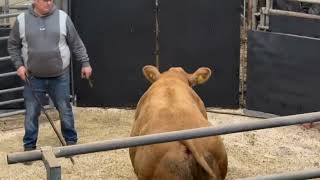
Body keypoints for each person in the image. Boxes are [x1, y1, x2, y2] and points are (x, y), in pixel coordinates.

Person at [7, 0, 92, 152]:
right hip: (32, 77)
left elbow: (76, 43)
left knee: (64, 109)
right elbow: (13, 45)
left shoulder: (62, 17)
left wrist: (85, 63)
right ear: (35, 1)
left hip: (59, 76)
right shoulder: (21, 20)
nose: (49, 2)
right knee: (32, 112)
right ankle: (29, 147)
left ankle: (71, 142)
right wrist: (19, 65)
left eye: (51, 0)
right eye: (45, 0)